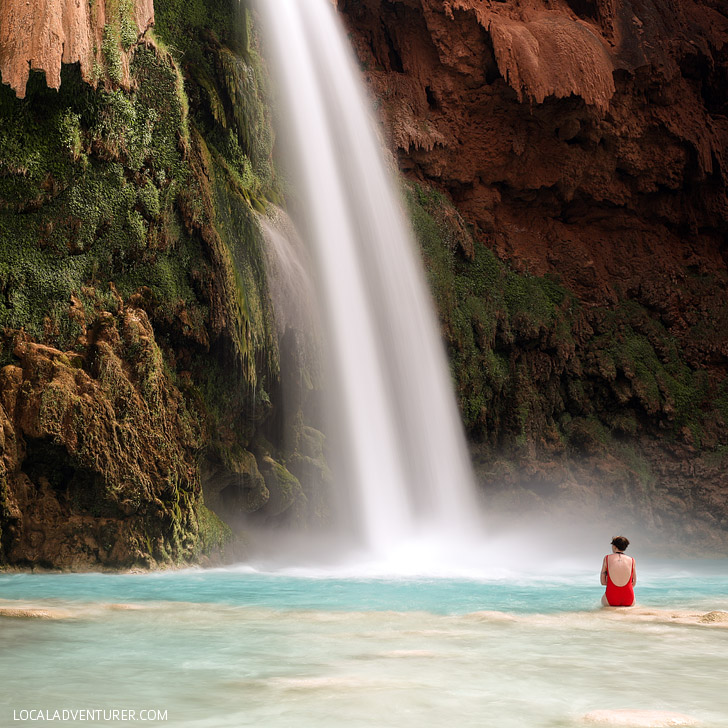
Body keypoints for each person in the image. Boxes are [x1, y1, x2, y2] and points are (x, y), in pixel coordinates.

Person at [600, 536, 636, 607]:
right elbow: (633, 583)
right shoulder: (632, 560)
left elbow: (603, 582)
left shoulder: (607, 558)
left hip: (611, 598)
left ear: (614, 546)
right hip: (629, 598)